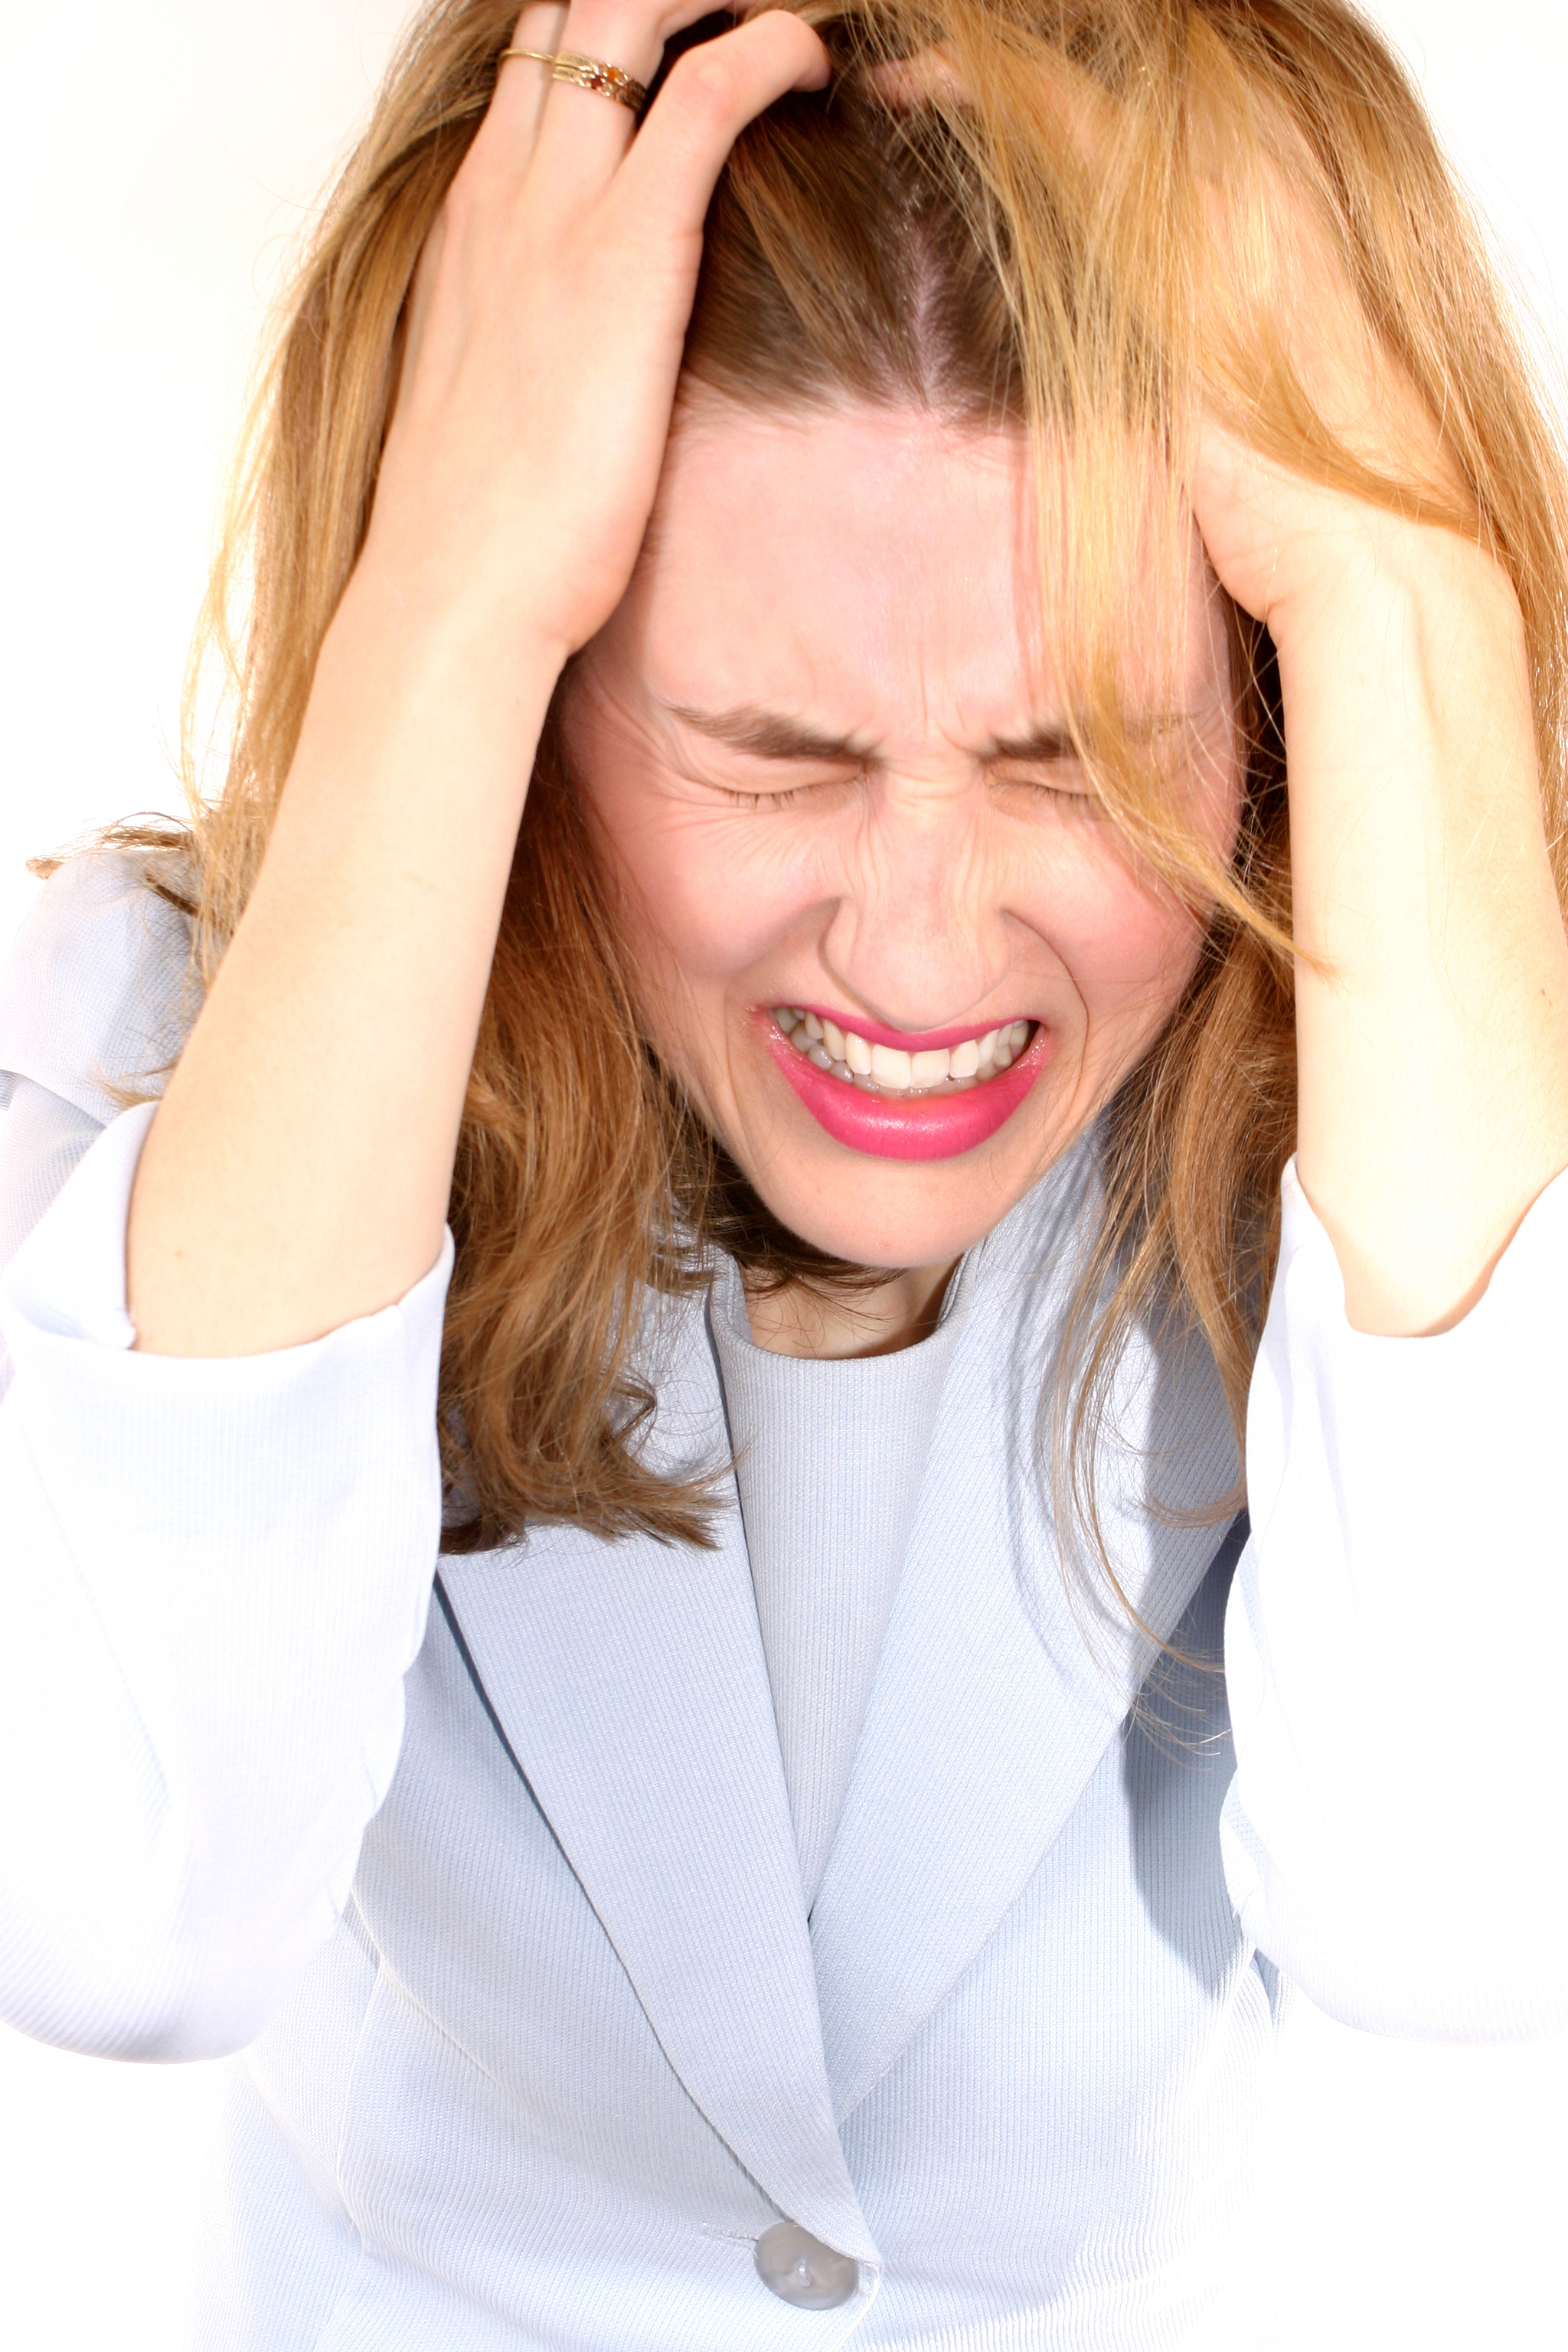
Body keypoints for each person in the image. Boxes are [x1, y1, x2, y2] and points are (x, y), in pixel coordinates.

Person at [2, 0, 1565, 2342]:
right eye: (765, 754)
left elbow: (1472, 1919)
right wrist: (435, 610)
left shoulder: (1422, 1084)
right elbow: (118, 1916)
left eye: (1091, 760)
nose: (924, 949)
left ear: (1261, 729)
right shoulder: (148, 1037)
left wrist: (1408, 577)